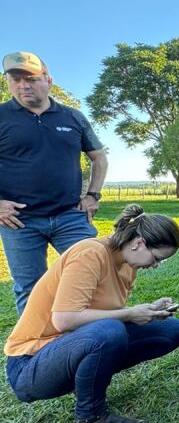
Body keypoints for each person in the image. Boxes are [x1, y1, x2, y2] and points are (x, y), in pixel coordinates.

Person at [4, 204, 179, 423]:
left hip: (69, 347)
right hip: (29, 364)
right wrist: (129, 314)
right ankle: (92, 415)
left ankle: (87, 379)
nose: (156, 265)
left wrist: (149, 310)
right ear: (139, 243)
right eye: (157, 258)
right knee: (110, 331)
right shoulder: (90, 253)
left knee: (171, 330)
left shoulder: (128, 265)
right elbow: (64, 319)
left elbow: (103, 313)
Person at [0, 52, 108, 315]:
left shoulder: (73, 117)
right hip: (19, 222)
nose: (23, 85)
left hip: (70, 215)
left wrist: (92, 195)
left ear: (48, 80)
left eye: (31, 78)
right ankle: (33, 349)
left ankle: (94, 340)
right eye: (15, 79)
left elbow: (99, 158)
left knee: (97, 273)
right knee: (30, 288)